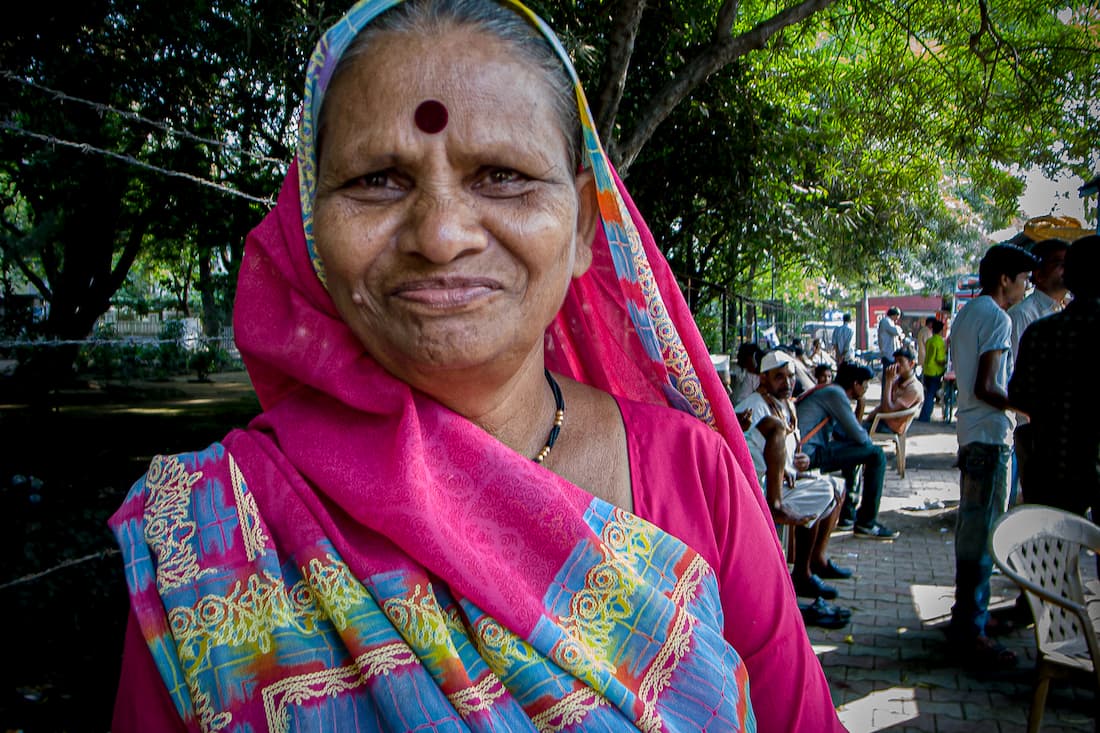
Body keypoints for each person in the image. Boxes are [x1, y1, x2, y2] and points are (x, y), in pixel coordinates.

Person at [106, 2, 843, 731]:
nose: (441, 233)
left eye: (501, 174)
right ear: (309, 225)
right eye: (377, 179)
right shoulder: (214, 532)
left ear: (585, 226)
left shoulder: (694, 478)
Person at [946, 243, 1037, 670]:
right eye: (1023, 279)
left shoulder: (967, 314)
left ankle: (964, 620)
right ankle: (972, 632)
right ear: (1005, 279)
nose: (1026, 287)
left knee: (971, 532)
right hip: (990, 436)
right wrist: (1025, 406)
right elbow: (987, 385)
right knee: (983, 538)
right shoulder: (998, 318)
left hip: (970, 434)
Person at [737, 351, 851, 605]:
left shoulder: (785, 405)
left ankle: (816, 561)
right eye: (779, 377)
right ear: (763, 379)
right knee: (822, 493)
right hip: (762, 487)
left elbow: (787, 451)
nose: (787, 383)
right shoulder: (752, 407)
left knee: (837, 486)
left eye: (790, 377)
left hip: (786, 478)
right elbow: (753, 458)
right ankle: (802, 573)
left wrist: (802, 462)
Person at [1009, 235, 1100, 518]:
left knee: (1051, 554)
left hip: (1053, 465)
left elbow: (1019, 394)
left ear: (1069, 277)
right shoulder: (1028, 319)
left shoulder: (1042, 333)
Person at [797, 362, 898, 539]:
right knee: (876, 455)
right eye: (865, 384)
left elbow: (846, 435)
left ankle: (848, 516)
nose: (866, 388)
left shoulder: (830, 392)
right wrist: (861, 407)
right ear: (855, 384)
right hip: (806, 455)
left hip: (808, 451)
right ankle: (867, 522)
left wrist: (860, 408)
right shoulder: (835, 394)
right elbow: (860, 437)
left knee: (859, 453)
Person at [1006, 238, 1069, 500]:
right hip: (1033, 429)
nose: (1066, 270)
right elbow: (1013, 375)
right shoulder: (1024, 315)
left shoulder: (1066, 311)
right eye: (1059, 264)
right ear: (1039, 274)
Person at [864, 348, 923, 434]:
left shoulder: (914, 388)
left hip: (891, 426)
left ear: (911, 364)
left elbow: (888, 411)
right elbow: (884, 404)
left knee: (852, 432)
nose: (896, 365)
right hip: (883, 420)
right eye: (895, 361)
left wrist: (888, 382)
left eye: (901, 361)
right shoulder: (898, 380)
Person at [917, 319, 947, 422]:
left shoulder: (930, 340)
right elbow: (939, 360)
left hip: (927, 370)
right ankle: (925, 417)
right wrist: (945, 363)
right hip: (935, 372)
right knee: (930, 395)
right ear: (941, 330)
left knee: (928, 394)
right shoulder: (940, 342)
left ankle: (925, 415)